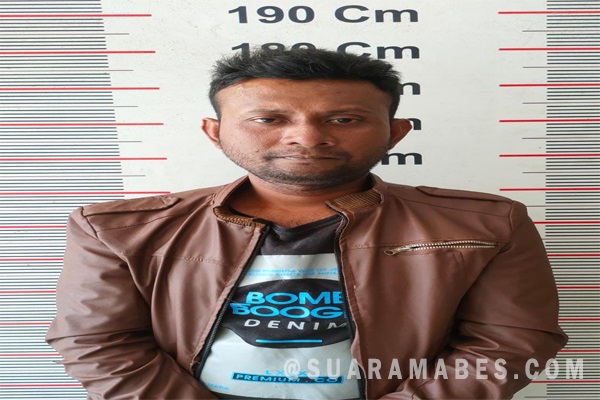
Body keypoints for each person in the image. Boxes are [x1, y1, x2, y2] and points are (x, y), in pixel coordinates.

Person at [46, 48, 567, 400]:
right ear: (214, 131)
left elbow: (510, 343)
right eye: (268, 119)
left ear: (396, 132)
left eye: (343, 119)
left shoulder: (487, 223)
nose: (306, 137)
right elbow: (100, 344)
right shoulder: (117, 229)